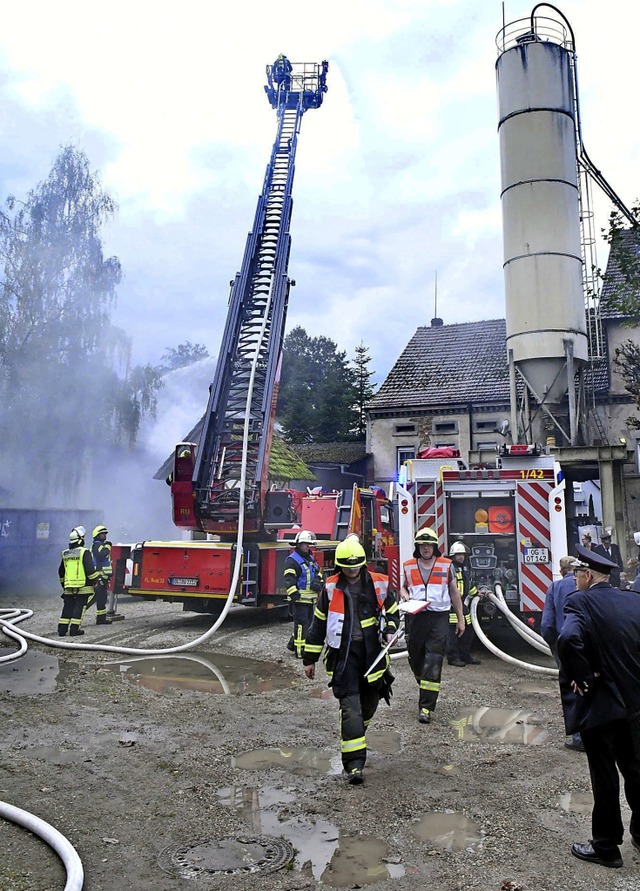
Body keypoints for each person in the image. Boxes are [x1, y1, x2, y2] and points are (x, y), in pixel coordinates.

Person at [557, 544, 640, 869]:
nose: (576, 580)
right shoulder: (633, 600)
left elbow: (567, 640)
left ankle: (606, 846)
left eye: (578, 575)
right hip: (635, 706)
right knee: (636, 771)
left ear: (587, 575)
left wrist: (582, 677)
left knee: (605, 777)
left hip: (600, 709)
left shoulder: (580, 602)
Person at [302, 537, 399, 785]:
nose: (352, 571)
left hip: (372, 654)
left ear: (363, 564)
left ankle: (354, 730)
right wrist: (309, 659)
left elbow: (393, 612)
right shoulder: (330, 587)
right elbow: (318, 624)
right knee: (351, 708)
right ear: (340, 566)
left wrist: (390, 629)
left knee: (368, 704)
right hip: (343, 657)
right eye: (347, 567)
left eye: (356, 567)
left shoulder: (379, 583)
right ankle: (354, 765)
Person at [400, 527, 465, 724]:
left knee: (434, 660)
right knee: (415, 657)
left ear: (435, 546)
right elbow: (404, 587)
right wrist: (404, 595)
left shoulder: (447, 565)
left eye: (429, 544)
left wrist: (460, 618)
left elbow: (454, 593)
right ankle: (424, 683)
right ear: (417, 547)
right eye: (422, 544)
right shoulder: (409, 565)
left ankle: (426, 708)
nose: (426, 548)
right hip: (416, 617)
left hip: (439, 618)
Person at [540, 555, 584, 752]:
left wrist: (553, 645)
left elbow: (547, 624)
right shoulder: (584, 585)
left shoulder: (555, 588)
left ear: (561, 570)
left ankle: (576, 736)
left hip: (562, 643)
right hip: (585, 642)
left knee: (569, 686)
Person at [284, 530, 323, 657]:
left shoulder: (310, 558)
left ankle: (292, 644)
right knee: (301, 625)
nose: (307, 546)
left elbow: (319, 572)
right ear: (298, 545)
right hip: (299, 599)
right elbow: (289, 579)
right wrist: (294, 595)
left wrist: (318, 580)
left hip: (310, 599)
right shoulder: (292, 560)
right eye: (305, 544)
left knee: (308, 624)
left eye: (308, 544)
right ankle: (300, 651)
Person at [58, 527, 100, 637]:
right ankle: (74, 630)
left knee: (67, 607)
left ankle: (62, 630)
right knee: (79, 607)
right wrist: (95, 581)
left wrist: (64, 584)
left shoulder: (65, 553)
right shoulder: (84, 552)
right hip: (83, 586)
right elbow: (90, 569)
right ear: (80, 539)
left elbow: (61, 571)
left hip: (68, 587)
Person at [446, 542, 481, 667]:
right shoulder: (450, 568)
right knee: (453, 634)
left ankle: (465, 655)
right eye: (458, 554)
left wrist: (477, 593)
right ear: (453, 556)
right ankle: (453, 657)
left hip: (462, 604)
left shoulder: (464, 568)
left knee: (468, 631)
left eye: (462, 554)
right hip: (451, 605)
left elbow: (467, 585)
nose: (461, 557)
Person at [82, 525, 113, 626]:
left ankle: (101, 619)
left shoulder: (101, 544)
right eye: (102, 534)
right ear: (97, 535)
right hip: (98, 577)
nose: (104, 536)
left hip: (103, 577)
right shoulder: (96, 545)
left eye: (105, 534)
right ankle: (77, 615)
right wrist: (108, 546)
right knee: (92, 598)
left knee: (102, 599)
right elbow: (102, 554)